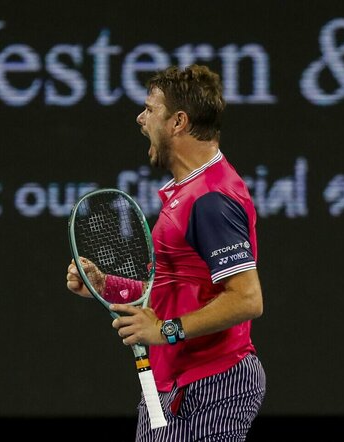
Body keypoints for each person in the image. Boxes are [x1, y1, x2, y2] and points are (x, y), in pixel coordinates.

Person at [65, 64, 266, 441]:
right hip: (172, 387)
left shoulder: (210, 198)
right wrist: (108, 285)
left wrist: (164, 331)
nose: (141, 119)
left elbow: (247, 299)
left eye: (150, 109)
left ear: (178, 121)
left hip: (208, 386)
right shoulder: (188, 191)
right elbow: (177, 287)